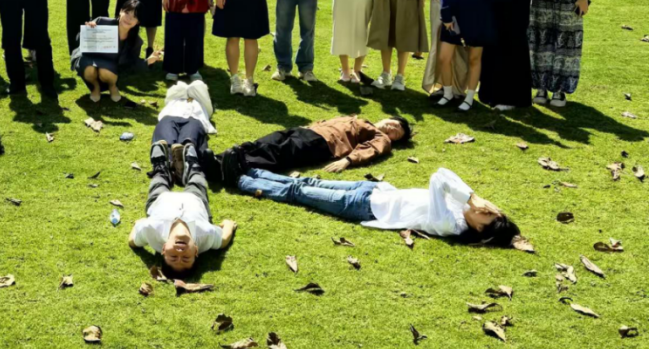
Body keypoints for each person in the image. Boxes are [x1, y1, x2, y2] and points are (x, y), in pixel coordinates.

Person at [237, 167, 520, 247]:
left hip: (362, 207)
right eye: (489, 210)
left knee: (298, 192)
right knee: (308, 181)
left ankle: (241, 180)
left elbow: (437, 178)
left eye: (485, 216)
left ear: (479, 230)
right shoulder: (464, 208)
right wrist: (473, 197)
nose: (482, 210)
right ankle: (254, 171)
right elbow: (446, 173)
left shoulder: (451, 224)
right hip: (374, 190)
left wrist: (472, 198)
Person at [437, 0, 532, 111]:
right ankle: (447, 93)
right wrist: (446, 15)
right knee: (444, 58)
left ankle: (469, 98)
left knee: (474, 59)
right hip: (455, 20)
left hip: (479, 22)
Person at [128, 138, 236, 278]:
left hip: (160, 200)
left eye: (173, 256)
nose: (180, 252)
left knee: (159, 179)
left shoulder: (150, 230)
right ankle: (192, 165)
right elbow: (223, 240)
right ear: (196, 251)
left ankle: (161, 166)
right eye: (186, 258)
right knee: (197, 178)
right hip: (195, 199)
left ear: (164, 249)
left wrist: (138, 224)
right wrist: (229, 225)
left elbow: (132, 242)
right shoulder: (206, 235)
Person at [206, 115, 411, 186]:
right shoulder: (360, 119)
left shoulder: (382, 138)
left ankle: (230, 170)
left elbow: (371, 149)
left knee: (280, 152)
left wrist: (348, 160)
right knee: (267, 142)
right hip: (309, 131)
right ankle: (218, 159)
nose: (392, 129)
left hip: (324, 143)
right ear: (388, 118)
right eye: (394, 124)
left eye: (397, 133)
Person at [73, 0, 145, 103]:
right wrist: (88, 30)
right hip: (91, 59)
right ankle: (95, 87)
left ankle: (112, 86)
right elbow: (79, 40)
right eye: (127, 12)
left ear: (138, 22)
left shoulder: (136, 41)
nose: (129, 18)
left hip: (110, 69)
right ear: (120, 11)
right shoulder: (101, 21)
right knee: (89, 68)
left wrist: (148, 61)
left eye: (134, 16)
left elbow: (131, 65)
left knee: (105, 70)